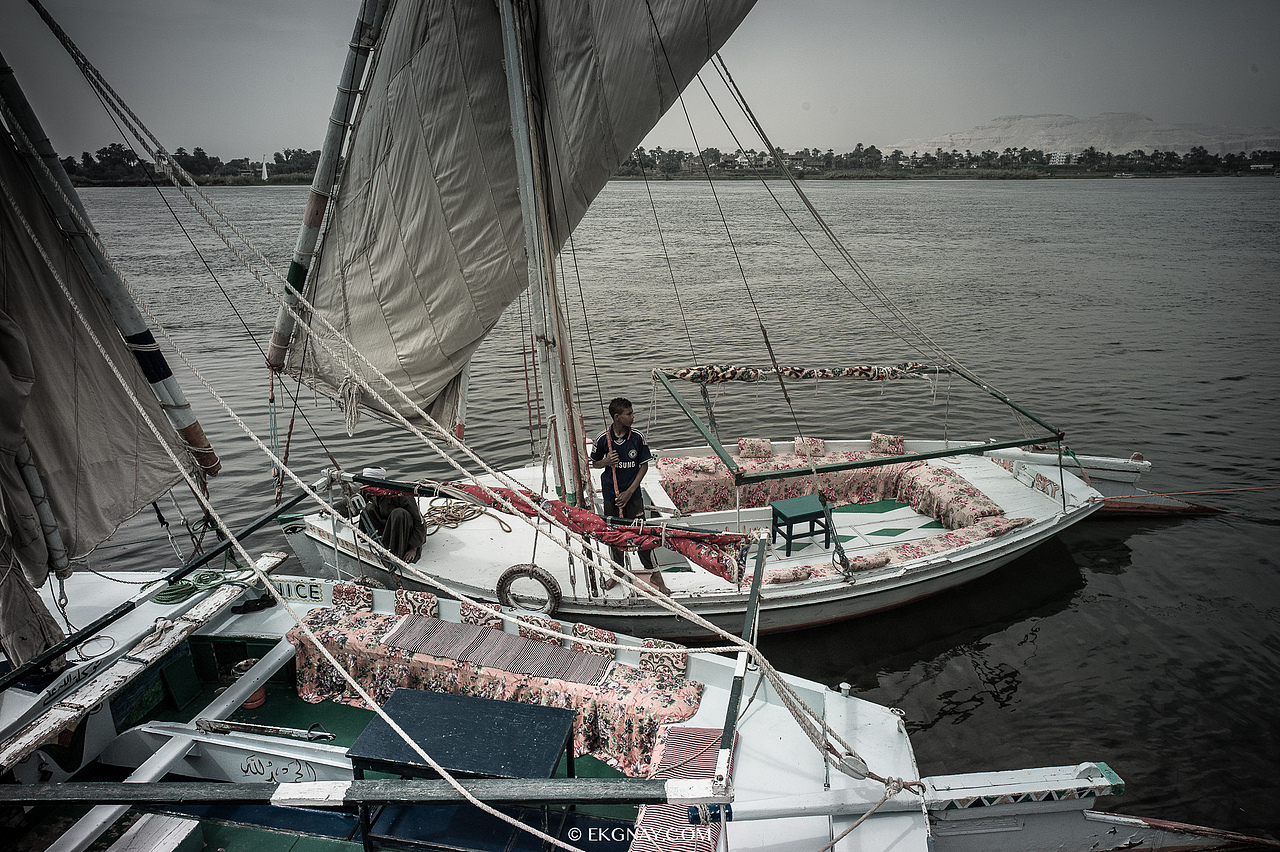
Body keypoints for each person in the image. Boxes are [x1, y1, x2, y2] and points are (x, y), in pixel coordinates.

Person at [589, 398, 670, 594]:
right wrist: (606, 461)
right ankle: (617, 572)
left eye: (632, 413)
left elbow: (643, 465)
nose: (633, 417)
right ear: (617, 417)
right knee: (613, 536)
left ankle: (655, 576)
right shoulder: (602, 439)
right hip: (611, 495)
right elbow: (594, 463)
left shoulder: (637, 438)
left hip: (632, 496)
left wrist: (630, 491)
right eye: (629, 414)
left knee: (641, 536)